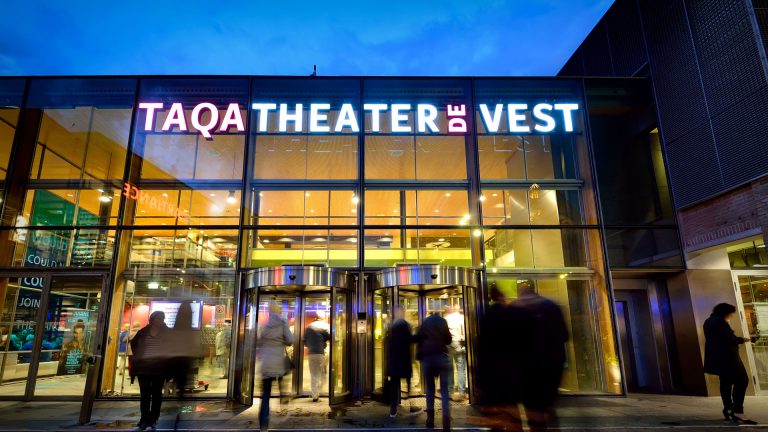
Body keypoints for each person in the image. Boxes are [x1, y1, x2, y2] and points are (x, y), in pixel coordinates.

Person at [514, 280, 568, 432]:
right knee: (548, 404)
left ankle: (538, 427)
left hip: (527, 366)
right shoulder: (552, 306)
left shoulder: (515, 308)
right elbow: (564, 335)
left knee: (531, 406)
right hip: (553, 364)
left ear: (519, 292)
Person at [476, 286, 527, 432]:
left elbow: (482, 346)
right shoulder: (513, 315)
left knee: (495, 411)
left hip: (492, 370)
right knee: (511, 410)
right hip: (511, 371)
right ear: (503, 297)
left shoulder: (488, 316)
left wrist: (479, 376)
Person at [704, 303, 757, 424]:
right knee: (742, 380)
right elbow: (728, 339)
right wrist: (742, 339)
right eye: (731, 313)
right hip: (729, 357)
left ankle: (728, 408)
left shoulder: (708, 321)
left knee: (726, 382)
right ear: (725, 312)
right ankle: (737, 411)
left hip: (718, 357)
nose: (732, 315)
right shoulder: (720, 322)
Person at [257, 303, 294, 431]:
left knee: (265, 396)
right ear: (278, 311)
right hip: (278, 364)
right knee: (282, 377)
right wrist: (282, 340)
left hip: (266, 365)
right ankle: (283, 396)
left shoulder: (264, 326)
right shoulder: (282, 323)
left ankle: (263, 425)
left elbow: (259, 343)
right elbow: (291, 339)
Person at [130, 311, 170, 431]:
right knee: (145, 395)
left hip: (159, 368)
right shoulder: (143, 332)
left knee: (157, 394)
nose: (160, 320)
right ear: (152, 319)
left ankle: (153, 419)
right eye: (158, 318)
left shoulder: (167, 332)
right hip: (144, 368)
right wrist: (139, 356)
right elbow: (134, 343)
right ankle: (144, 419)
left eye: (162, 318)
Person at [416, 310, 453, 431]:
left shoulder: (425, 322)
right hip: (441, 357)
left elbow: (419, 339)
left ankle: (430, 419)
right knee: (444, 390)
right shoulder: (443, 321)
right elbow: (448, 340)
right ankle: (446, 419)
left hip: (428, 358)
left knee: (430, 389)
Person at [386, 305, 418, 417]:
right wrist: (419, 335)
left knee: (395, 386)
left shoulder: (391, 325)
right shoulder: (403, 324)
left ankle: (393, 410)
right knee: (409, 383)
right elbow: (410, 339)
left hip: (394, 361)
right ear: (400, 312)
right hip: (403, 359)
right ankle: (412, 406)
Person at [303, 311, 330, 402]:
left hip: (311, 354)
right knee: (323, 373)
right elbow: (331, 337)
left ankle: (315, 395)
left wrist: (311, 345)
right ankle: (321, 390)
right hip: (320, 354)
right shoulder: (325, 326)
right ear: (323, 318)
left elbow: (304, 341)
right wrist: (323, 344)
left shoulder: (309, 327)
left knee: (314, 375)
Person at [444, 305, 467, 401]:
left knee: (449, 368)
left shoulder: (446, 318)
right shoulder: (461, 318)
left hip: (448, 344)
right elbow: (464, 332)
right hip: (458, 343)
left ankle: (450, 391)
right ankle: (461, 392)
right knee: (461, 368)